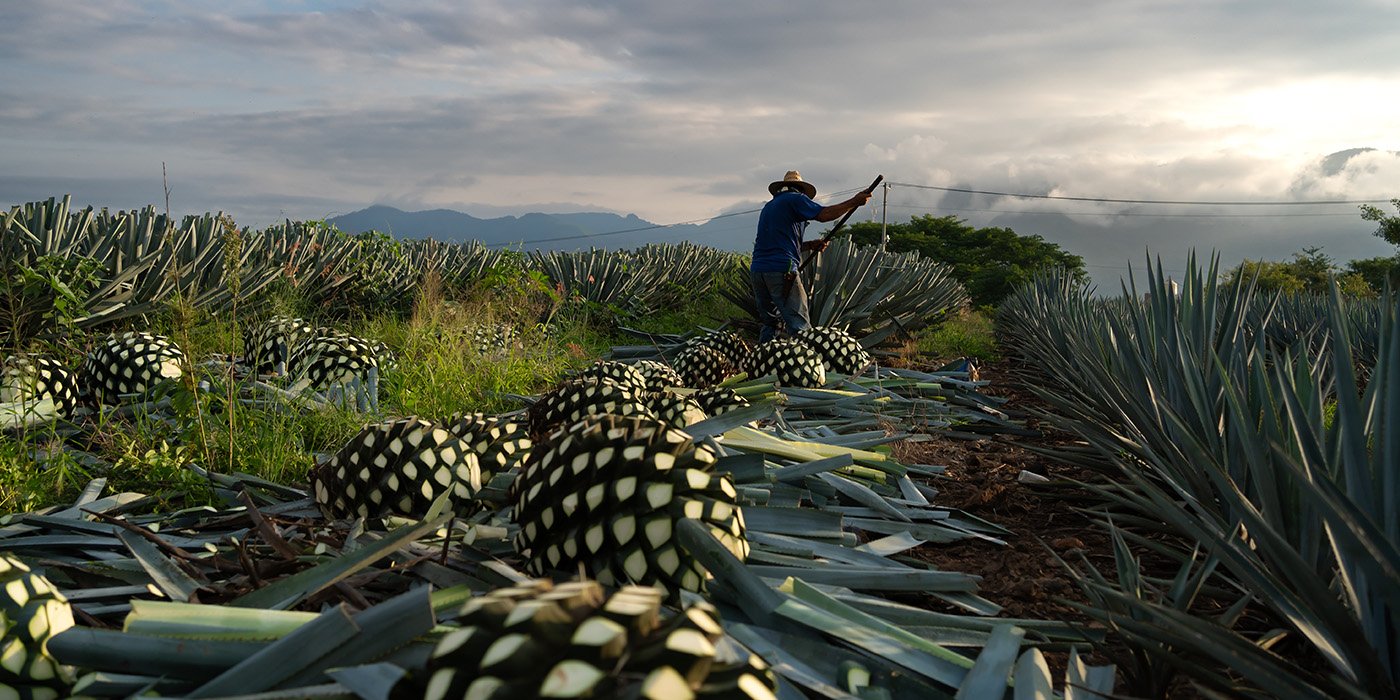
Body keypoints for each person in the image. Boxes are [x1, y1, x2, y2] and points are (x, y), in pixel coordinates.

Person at [750, 170, 872, 342]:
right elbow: (824, 215)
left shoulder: (770, 206)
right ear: (801, 190)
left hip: (758, 270)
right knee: (799, 325)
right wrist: (854, 202)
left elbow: (777, 243)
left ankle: (763, 362)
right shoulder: (796, 199)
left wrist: (809, 245)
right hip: (781, 269)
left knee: (771, 324)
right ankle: (806, 364)